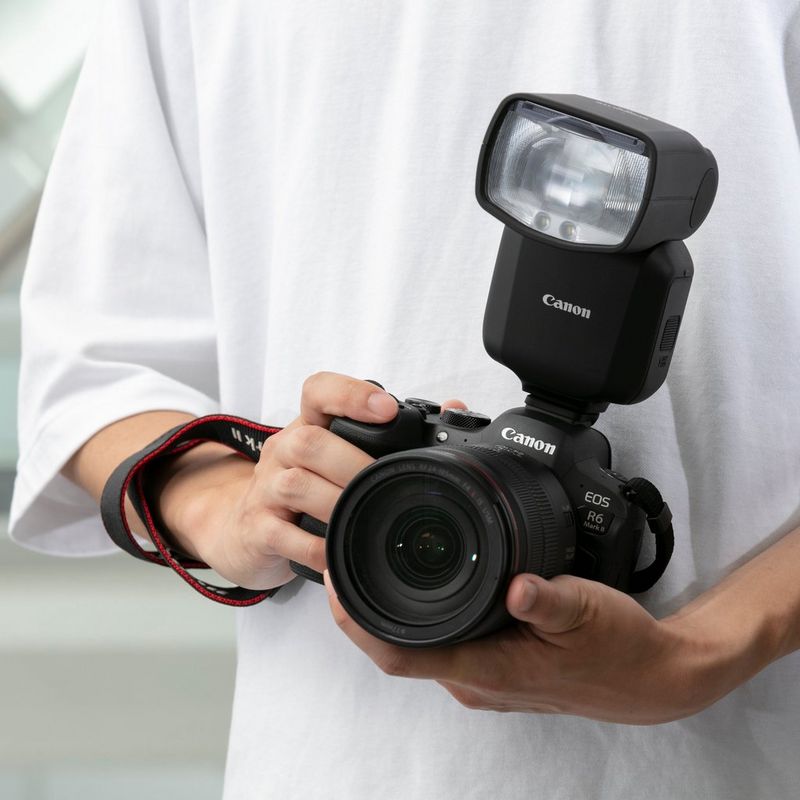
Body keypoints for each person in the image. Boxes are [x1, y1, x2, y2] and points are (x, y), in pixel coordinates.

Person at [10, 1, 800, 797]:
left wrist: (708, 650)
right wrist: (238, 507)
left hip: (724, 763)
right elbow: (94, 366)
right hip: (326, 761)